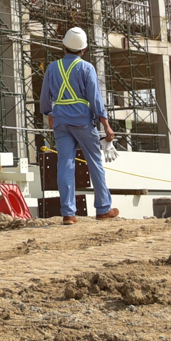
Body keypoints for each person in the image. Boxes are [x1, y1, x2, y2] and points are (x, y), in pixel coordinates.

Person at [41, 26, 118, 223]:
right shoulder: (86, 68)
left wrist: (50, 115)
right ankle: (103, 209)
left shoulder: (52, 67)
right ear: (83, 50)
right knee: (95, 163)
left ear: (64, 46)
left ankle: (68, 213)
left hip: (61, 121)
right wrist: (106, 125)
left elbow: (45, 98)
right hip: (82, 121)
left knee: (65, 165)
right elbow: (95, 98)